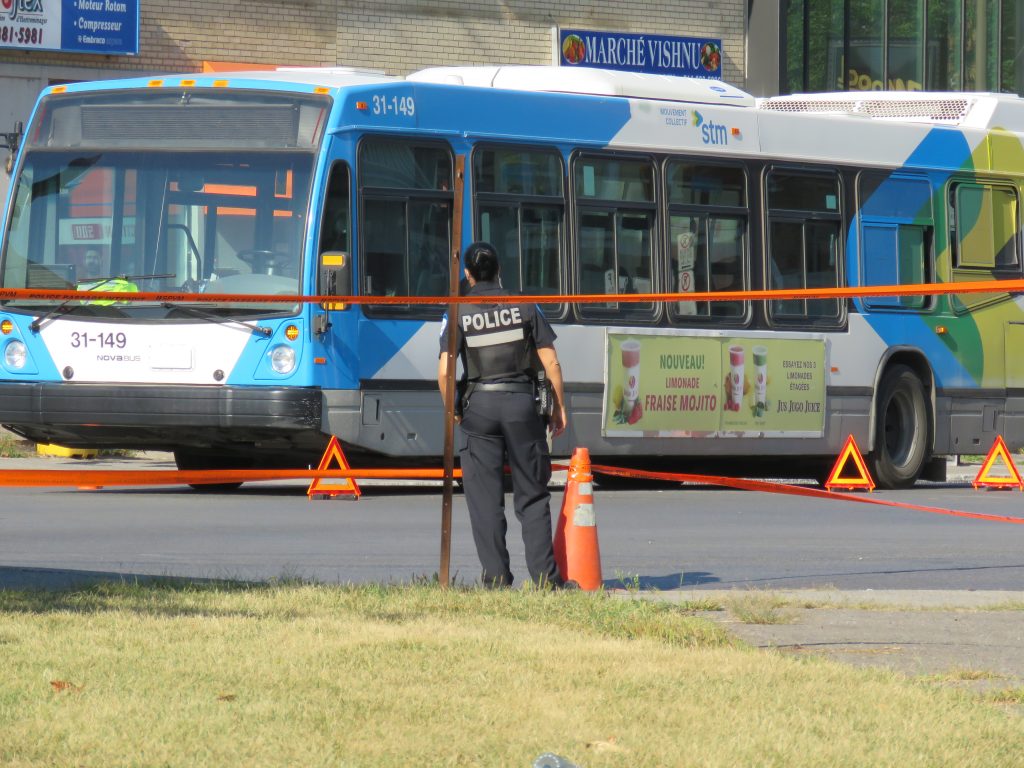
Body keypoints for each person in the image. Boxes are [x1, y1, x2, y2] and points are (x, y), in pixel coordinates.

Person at [437, 242, 569, 588]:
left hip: (478, 409)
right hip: (522, 407)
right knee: (533, 495)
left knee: (485, 502)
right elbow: (551, 361)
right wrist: (558, 407)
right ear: (499, 271)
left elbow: (444, 371)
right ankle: (546, 581)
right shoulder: (525, 305)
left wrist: (453, 410)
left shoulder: (457, 311)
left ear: (467, 275)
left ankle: (496, 580)